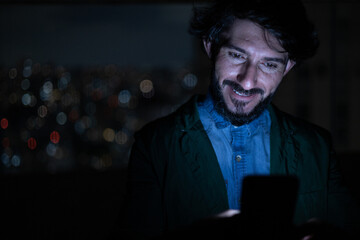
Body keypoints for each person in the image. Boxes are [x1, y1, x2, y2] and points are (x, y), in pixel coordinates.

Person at [126, 1, 359, 239]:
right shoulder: (156, 145)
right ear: (210, 46)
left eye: (269, 64)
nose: (247, 82)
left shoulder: (317, 146)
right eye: (237, 55)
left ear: (288, 67)